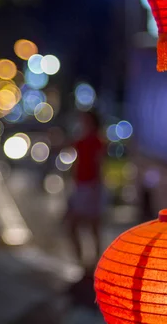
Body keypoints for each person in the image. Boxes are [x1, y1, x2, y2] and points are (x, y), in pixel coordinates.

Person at [67, 110, 105, 266]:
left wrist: (97, 188)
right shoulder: (82, 140)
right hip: (81, 186)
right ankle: (85, 261)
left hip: (90, 187)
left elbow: (99, 165)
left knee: (89, 226)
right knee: (83, 226)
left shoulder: (96, 141)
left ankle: (91, 262)